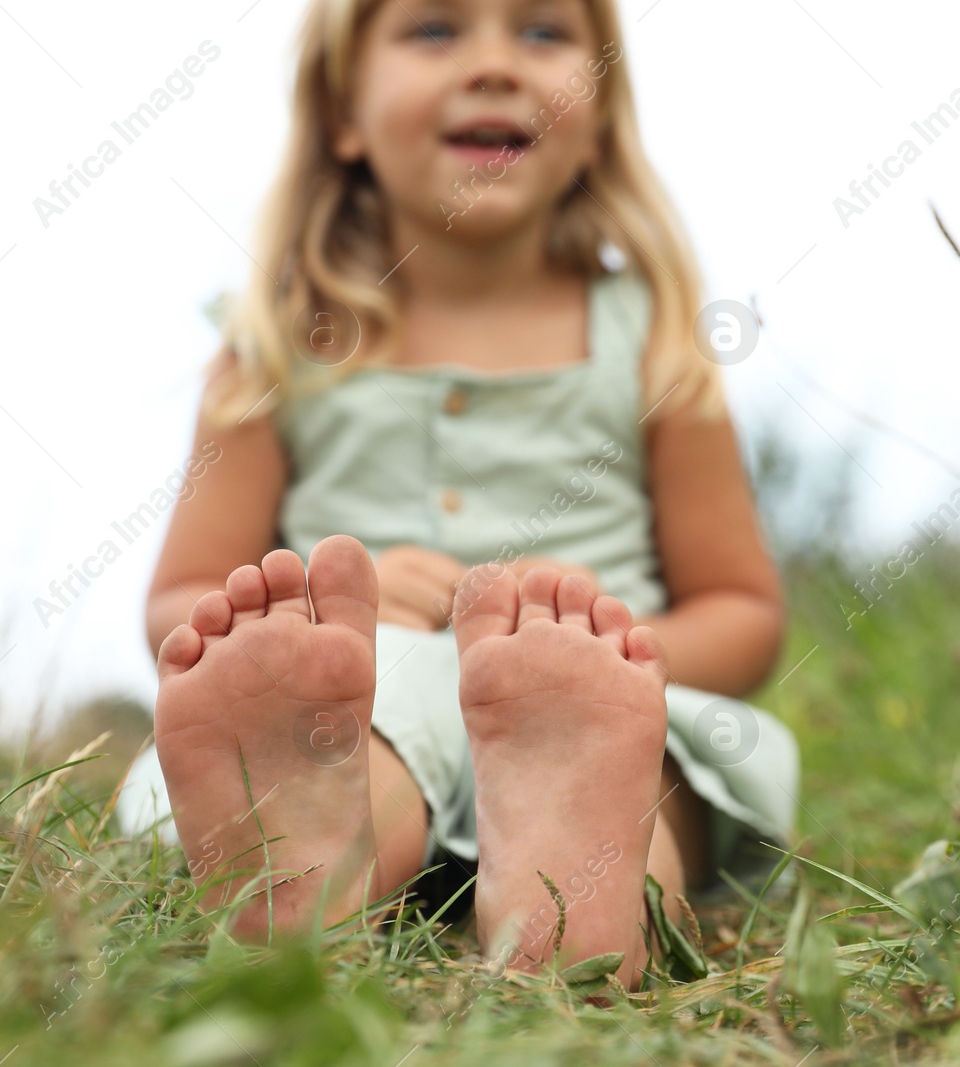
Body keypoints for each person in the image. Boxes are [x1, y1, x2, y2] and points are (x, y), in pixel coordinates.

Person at [116, 0, 798, 991]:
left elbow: (741, 611)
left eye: (541, 32)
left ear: (600, 113)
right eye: (435, 30)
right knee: (349, 747)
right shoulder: (276, 343)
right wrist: (315, 617)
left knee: (629, 778)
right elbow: (179, 602)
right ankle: (307, 868)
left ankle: (571, 905)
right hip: (362, 698)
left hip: (598, 717)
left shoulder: (651, 340)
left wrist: (604, 650)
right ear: (343, 114)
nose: (494, 65)